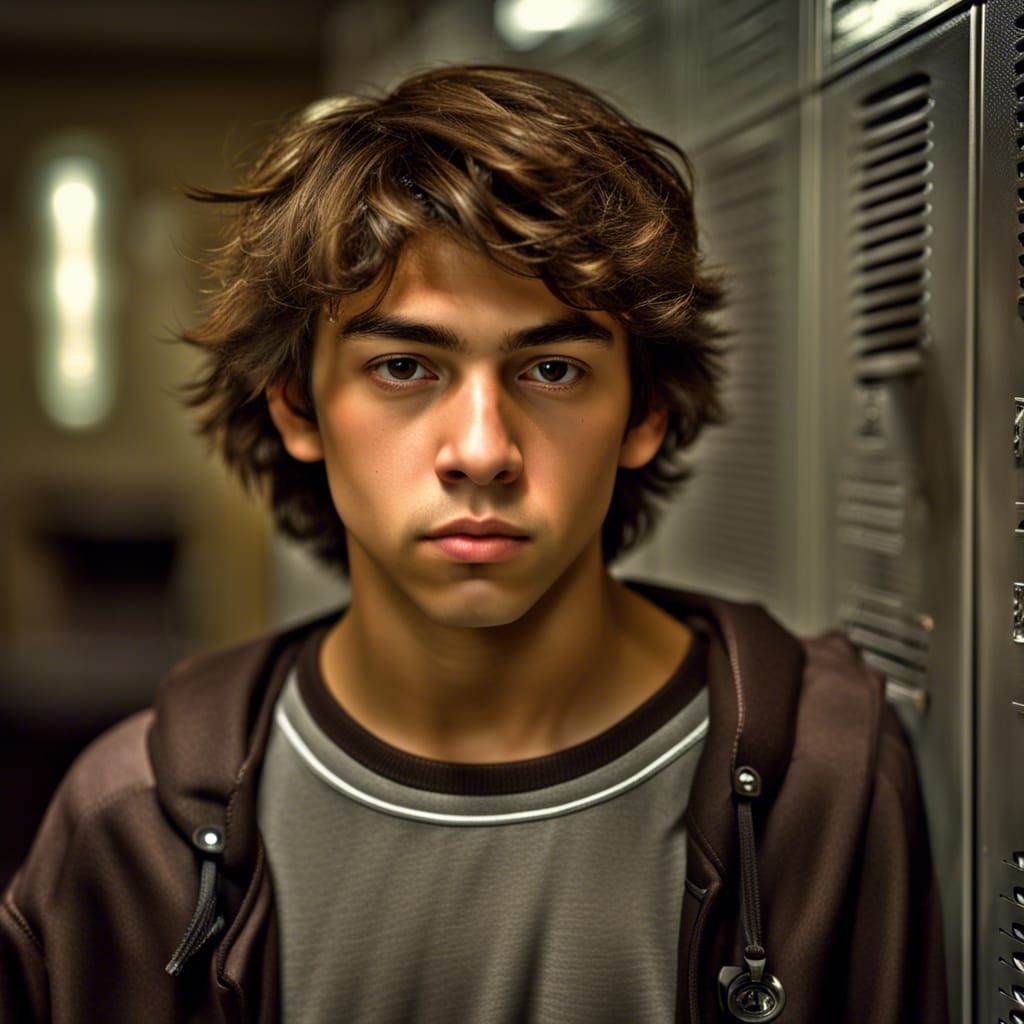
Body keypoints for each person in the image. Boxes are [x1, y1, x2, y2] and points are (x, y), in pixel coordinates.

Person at [0, 65, 947, 1023]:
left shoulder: (824, 786)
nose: (483, 451)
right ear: (297, 406)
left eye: (552, 369)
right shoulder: (128, 826)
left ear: (646, 411)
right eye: (404, 367)